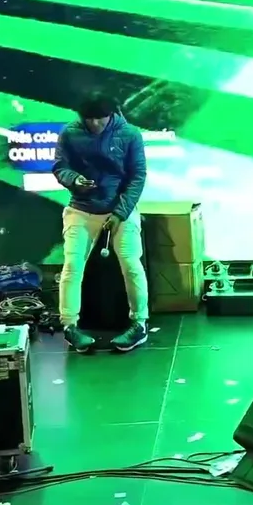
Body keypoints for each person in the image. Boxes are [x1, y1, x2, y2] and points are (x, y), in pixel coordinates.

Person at [52, 93, 149, 354]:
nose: (94, 124)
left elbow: (137, 176)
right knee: (72, 266)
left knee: (131, 264)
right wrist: (74, 180)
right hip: (80, 210)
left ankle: (140, 323)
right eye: (89, 119)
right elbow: (60, 167)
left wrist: (119, 213)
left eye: (100, 119)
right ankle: (69, 325)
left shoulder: (130, 134)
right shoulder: (70, 133)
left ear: (111, 115)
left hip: (120, 211)